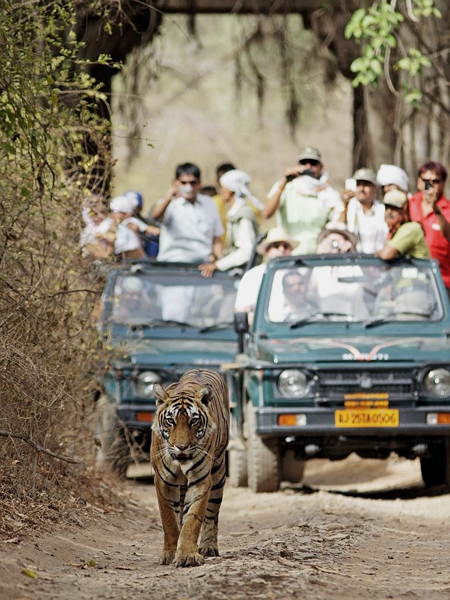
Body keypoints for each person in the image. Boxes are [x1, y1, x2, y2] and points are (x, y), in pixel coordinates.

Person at [262, 146, 343, 254]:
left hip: (317, 257)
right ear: (297, 165)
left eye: (313, 163)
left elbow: (338, 226)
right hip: (289, 255)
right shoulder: (286, 187)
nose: (308, 166)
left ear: (321, 166)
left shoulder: (329, 194)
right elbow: (266, 214)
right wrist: (284, 181)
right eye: (304, 163)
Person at [152, 163, 224, 263]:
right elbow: (155, 216)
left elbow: (216, 237)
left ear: (199, 183)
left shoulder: (209, 203)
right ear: (176, 183)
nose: (188, 187)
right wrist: (169, 198)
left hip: (202, 265)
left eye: (192, 183)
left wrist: (219, 259)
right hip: (172, 262)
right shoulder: (169, 204)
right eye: (184, 183)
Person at [199, 169, 258, 277]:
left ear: (230, 190)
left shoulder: (242, 215)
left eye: (222, 187)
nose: (220, 191)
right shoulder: (235, 214)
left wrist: (218, 265)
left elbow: (246, 252)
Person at [234, 227, 298, 318]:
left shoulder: (298, 273)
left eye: (286, 246)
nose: (282, 249)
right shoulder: (252, 276)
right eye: (276, 246)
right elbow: (242, 312)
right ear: (267, 250)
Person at [408, 161, 450, 293]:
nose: (430, 185)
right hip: (412, 278)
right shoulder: (409, 204)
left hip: (442, 281)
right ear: (418, 182)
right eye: (426, 181)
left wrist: (436, 209)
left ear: (443, 183)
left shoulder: (447, 209)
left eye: (435, 181)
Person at [339, 168, 388, 253]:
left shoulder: (383, 209)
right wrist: (345, 205)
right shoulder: (349, 207)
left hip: (379, 262)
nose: (361, 189)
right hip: (354, 261)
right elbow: (339, 229)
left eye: (366, 185)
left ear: (375, 188)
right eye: (358, 185)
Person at [376, 189, 430, 260]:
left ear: (404, 210)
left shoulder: (411, 228)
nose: (389, 212)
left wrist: (377, 254)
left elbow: (386, 254)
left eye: (394, 208)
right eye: (387, 207)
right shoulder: (396, 230)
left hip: (421, 270)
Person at [124, 190, 159, 257]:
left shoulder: (145, 222)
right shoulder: (115, 223)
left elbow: (155, 231)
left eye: (136, 207)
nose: (133, 210)